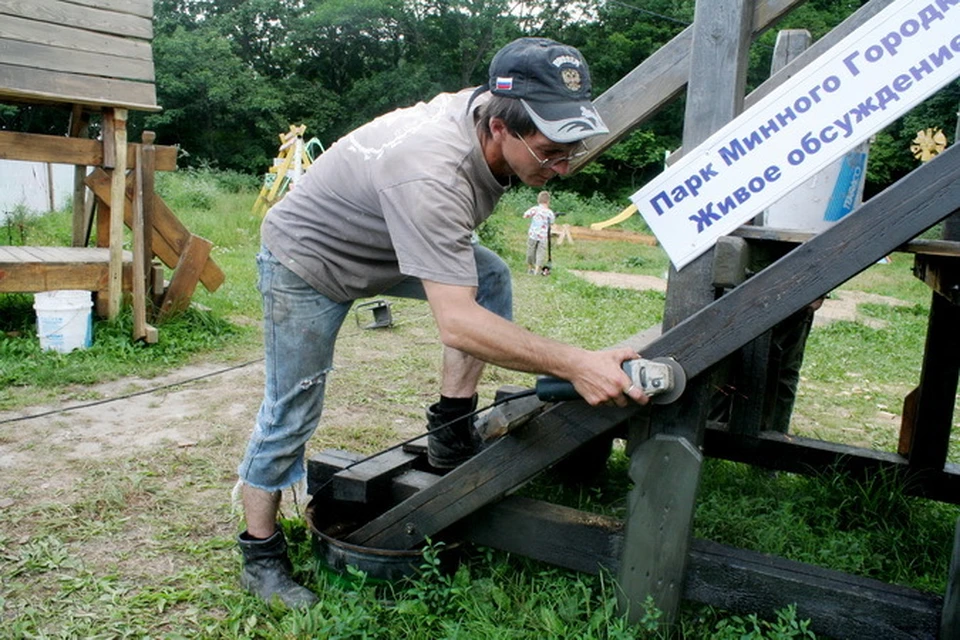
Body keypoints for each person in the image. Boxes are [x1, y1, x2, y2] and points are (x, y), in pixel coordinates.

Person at [235, 36, 650, 608]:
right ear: (500, 127)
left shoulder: (487, 116)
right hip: (310, 259)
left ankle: (450, 429)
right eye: (552, 151)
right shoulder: (434, 171)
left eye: (572, 149)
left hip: (384, 241)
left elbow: (466, 282)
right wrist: (577, 364)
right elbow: (458, 323)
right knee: (293, 405)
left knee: (491, 275)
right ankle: (259, 555)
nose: (563, 166)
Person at [524, 190, 555, 274]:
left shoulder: (535, 209)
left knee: (531, 250)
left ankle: (530, 268)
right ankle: (537, 270)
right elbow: (551, 223)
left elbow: (525, 215)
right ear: (548, 201)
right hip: (543, 236)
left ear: (538, 200)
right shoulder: (550, 212)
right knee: (540, 252)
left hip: (533, 234)